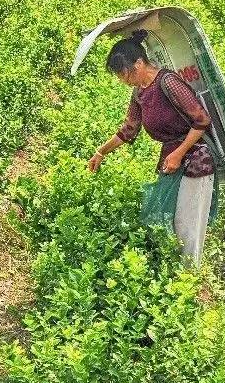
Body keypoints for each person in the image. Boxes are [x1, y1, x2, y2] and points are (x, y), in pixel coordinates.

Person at [88, 30, 215, 264]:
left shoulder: (168, 82)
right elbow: (128, 129)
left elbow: (202, 121)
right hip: (172, 161)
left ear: (138, 63)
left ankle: (191, 282)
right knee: (172, 225)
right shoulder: (140, 92)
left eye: (124, 73)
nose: (123, 80)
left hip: (196, 160)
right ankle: (177, 277)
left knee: (188, 227)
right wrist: (100, 152)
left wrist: (179, 153)